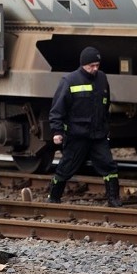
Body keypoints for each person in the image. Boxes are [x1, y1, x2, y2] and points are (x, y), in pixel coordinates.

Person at [47, 47, 122, 207]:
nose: (95, 69)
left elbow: (105, 104)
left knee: (109, 166)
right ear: (83, 65)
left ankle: (114, 199)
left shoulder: (102, 78)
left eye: (97, 65)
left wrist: (105, 126)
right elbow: (57, 108)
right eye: (91, 66)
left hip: (98, 135)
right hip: (77, 135)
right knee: (65, 167)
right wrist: (57, 131)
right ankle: (53, 198)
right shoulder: (70, 80)